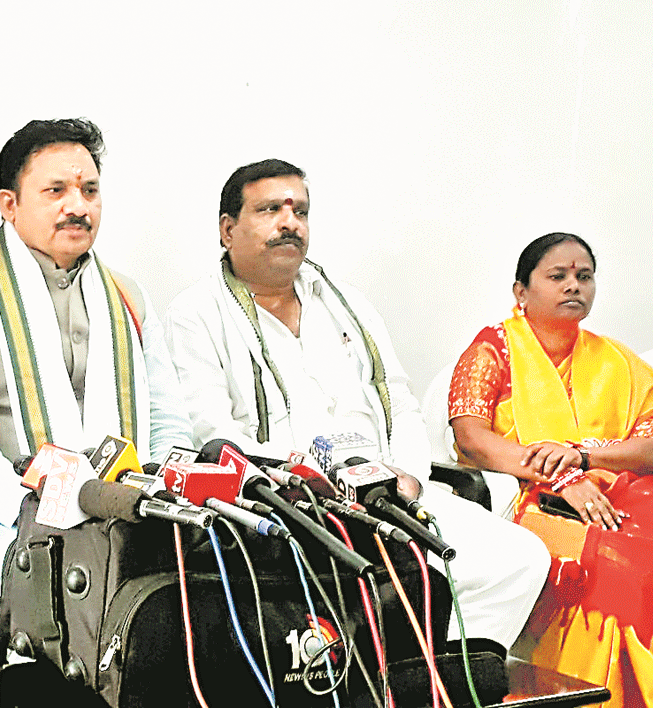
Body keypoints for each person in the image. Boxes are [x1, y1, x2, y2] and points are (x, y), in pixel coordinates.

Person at [164, 158, 550, 660]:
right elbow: (213, 434)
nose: (289, 223)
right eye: (270, 210)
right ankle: (402, 671)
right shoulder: (195, 315)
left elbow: (399, 401)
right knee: (408, 579)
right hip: (297, 508)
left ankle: (439, 678)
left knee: (520, 558)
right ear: (227, 229)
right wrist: (307, 487)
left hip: (388, 493)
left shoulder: (346, 304)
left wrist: (409, 477)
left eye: (300, 211)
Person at [449, 232, 653, 707]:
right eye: (557, 276)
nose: (574, 286)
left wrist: (584, 458)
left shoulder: (614, 359)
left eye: (584, 276)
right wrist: (559, 476)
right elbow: (471, 438)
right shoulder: (492, 351)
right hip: (524, 500)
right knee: (611, 567)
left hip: (617, 496)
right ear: (521, 291)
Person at [0, 118, 193, 605]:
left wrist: (155, 499)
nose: (78, 207)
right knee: (77, 587)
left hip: (125, 510)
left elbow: (169, 424)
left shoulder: (128, 297)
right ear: (9, 204)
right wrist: (42, 508)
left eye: (90, 191)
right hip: (6, 515)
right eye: (56, 191)